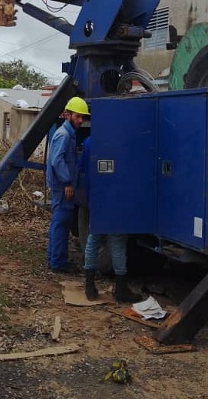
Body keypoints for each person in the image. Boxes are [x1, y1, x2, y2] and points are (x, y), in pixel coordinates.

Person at [79, 137, 142, 303]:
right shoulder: (123, 143)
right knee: (118, 242)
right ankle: (120, 289)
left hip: (98, 198)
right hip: (118, 200)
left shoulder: (89, 142)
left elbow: (83, 170)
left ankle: (90, 287)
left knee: (94, 239)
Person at [46, 96, 89, 273]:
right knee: (61, 223)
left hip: (63, 186)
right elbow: (57, 161)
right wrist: (67, 182)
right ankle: (57, 263)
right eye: (77, 116)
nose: (80, 120)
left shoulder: (68, 134)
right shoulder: (63, 135)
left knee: (61, 224)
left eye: (82, 117)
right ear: (68, 115)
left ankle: (57, 260)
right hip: (62, 187)